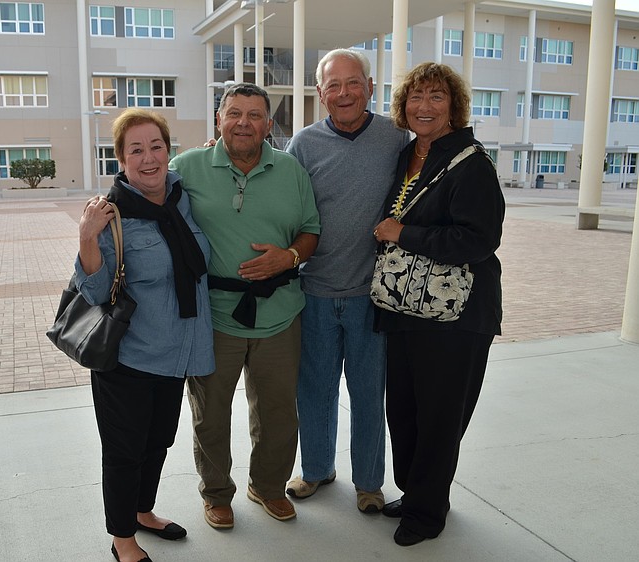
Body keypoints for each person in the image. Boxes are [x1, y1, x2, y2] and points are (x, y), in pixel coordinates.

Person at [169, 83, 321, 529]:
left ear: (268, 125)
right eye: (234, 113)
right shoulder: (187, 167)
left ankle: (268, 487)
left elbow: (311, 230)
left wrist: (288, 257)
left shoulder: (291, 170)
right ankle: (217, 494)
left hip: (280, 313)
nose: (243, 123)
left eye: (255, 115)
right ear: (219, 119)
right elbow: (148, 197)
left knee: (278, 412)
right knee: (211, 414)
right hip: (213, 316)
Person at [372, 62, 504, 546]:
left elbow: (479, 240)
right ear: (403, 105)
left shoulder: (471, 163)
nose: (424, 107)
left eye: (436, 97)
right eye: (415, 97)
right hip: (404, 307)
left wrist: (403, 233)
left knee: (440, 418)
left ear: (454, 106)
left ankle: (427, 513)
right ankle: (416, 493)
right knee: (405, 411)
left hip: (456, 316)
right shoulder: (408, 155)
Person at [75, 108, 215, 562]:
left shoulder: (181, 198)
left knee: (158, 442)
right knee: (124, 451)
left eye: (156, 146)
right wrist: (87, 238)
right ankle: (122, 539)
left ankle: (142, 511)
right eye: (136, 150)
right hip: (129, 359)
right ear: (121, 159)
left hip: (175, 354)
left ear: (169, 150)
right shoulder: (110, 215)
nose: (149, 157)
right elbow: (95, 291)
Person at [284, 48, 409, 513]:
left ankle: (370, 484)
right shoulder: (303, 144)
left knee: (368, 395)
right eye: (333, 85)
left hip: (371, 296)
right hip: (315, 291)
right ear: (320, 93)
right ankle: (316, 469)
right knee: (314, 390)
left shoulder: (397, 138)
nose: (344, 93)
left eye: (353, 82)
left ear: (371, 87)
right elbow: (283, 203)